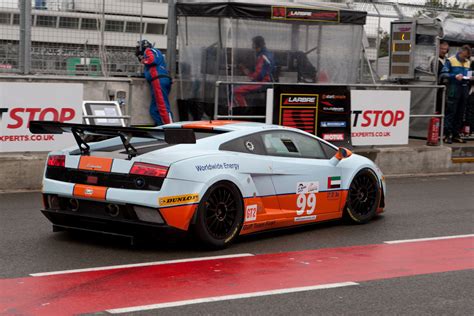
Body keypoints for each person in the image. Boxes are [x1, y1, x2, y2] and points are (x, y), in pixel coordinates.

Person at [136, 39, 173, 126]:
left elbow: (152, 60)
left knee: (162, 106)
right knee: (154, 109)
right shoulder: (156, 52)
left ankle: (169, 128)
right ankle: (160, 126)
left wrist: (143, 60)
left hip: (158, 80)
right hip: (160, 80)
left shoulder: (149, 51)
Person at [441, 45, 471, 144]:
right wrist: (454, 76)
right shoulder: (451, 60)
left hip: (465, 88)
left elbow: (469, 73)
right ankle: (447, 134)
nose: (465, 58)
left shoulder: (468, 62)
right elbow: (443, 74)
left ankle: (456, 134)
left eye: (467, 57)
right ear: (460, 52)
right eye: (464, 56)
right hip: (454, 88)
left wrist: (471, 77)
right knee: (451, 112)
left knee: (461, 113)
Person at [233, 36, 275, 107]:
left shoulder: (263, 56)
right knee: (235, 88)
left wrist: (249, 74)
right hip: (265, 81)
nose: (252, 46)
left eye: (253, 44)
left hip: (263, 82)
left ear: (256, 44)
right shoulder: (266, 54)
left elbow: (259, 75)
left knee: (236, 91)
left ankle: (243, 112)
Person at [430, 40, 450, 114]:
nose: (444, 51)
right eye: (442, 49)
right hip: (436, 87)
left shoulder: (446, 60)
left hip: (444, 89)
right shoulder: (434, 60)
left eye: (445, 49)